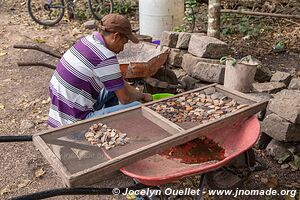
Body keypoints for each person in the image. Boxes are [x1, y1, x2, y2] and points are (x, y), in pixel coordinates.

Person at [48, 14, 152, 128]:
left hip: (58, 114)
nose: (122, 48)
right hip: (75, 123)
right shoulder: (106, 57)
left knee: (114, 88)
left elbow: (120, 84)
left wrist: (142, 95)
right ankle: (106, 131)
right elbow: (125, 99)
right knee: (137, 107)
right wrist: (142, 97)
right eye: (124, 42)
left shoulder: (86, 41)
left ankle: (110, 126)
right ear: (116, 36)